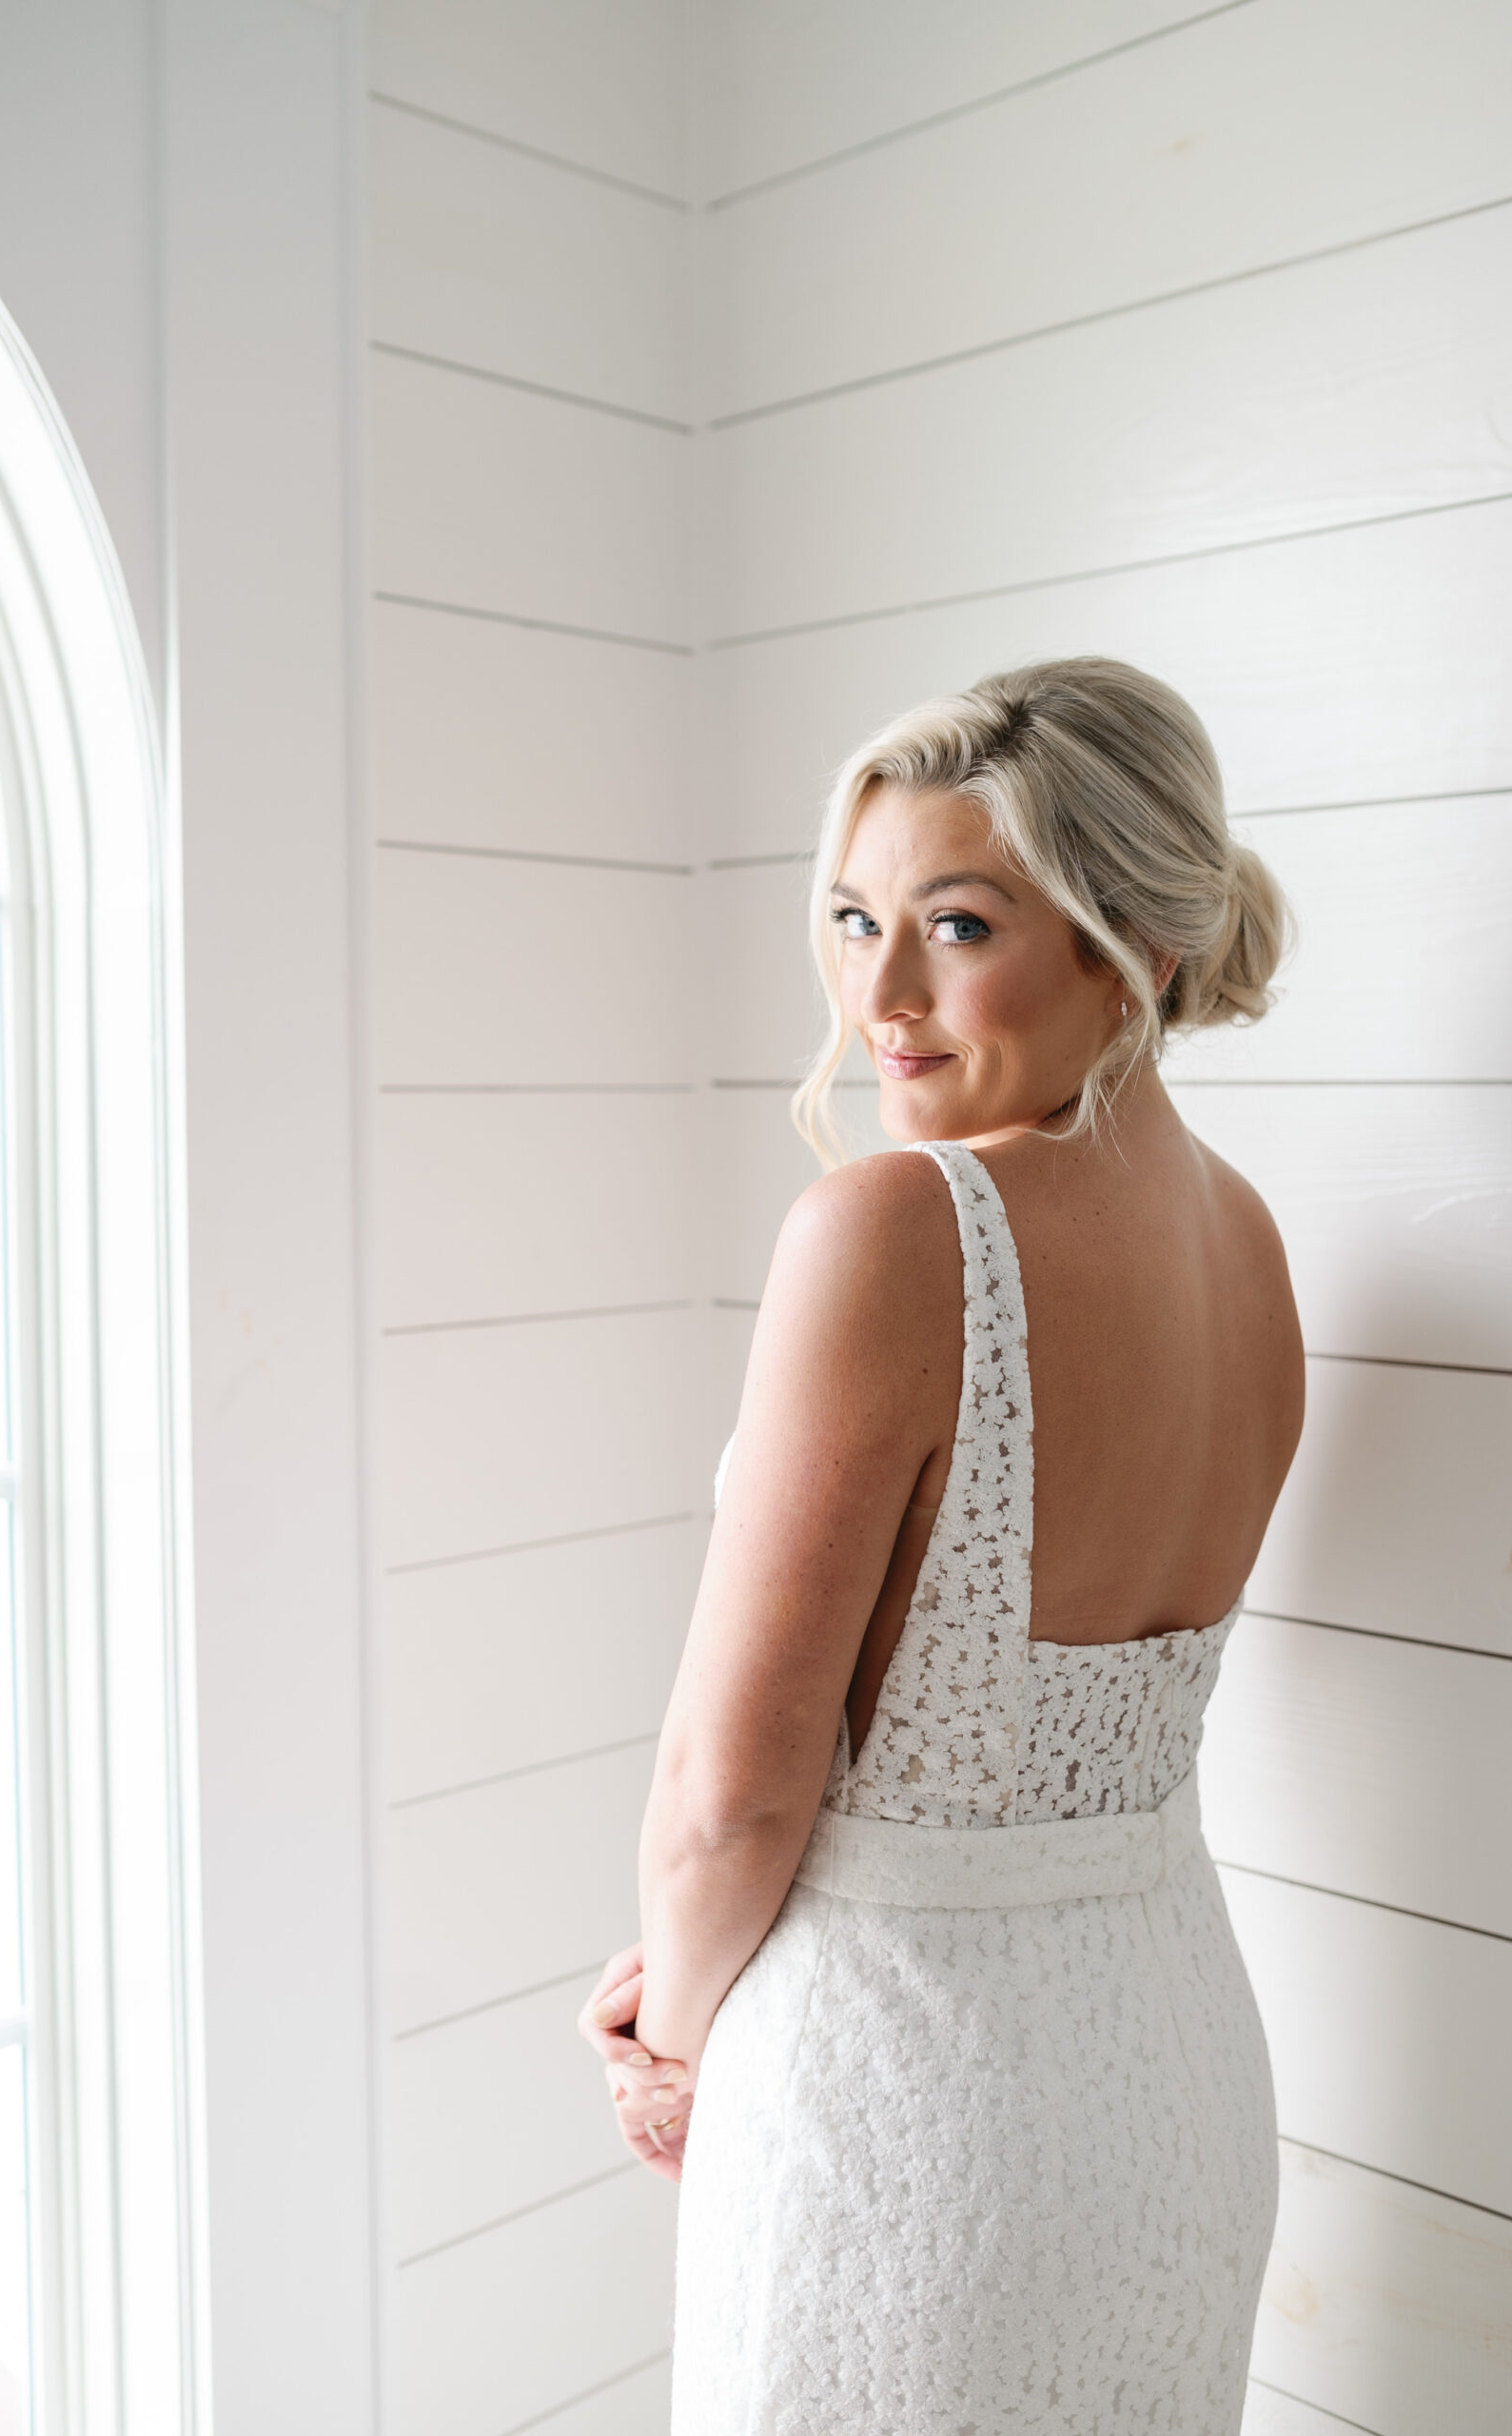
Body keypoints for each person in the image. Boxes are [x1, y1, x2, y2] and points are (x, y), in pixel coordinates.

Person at [578, 658, 1304, 2434]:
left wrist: (671, 2041)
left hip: (902, 2124)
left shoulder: (895, 1231)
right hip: (1174, 2087)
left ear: (1127, 940)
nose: (878, 996)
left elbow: (730, 1796)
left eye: (954, 927)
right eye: (851, 919)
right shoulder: (1250, 1245)